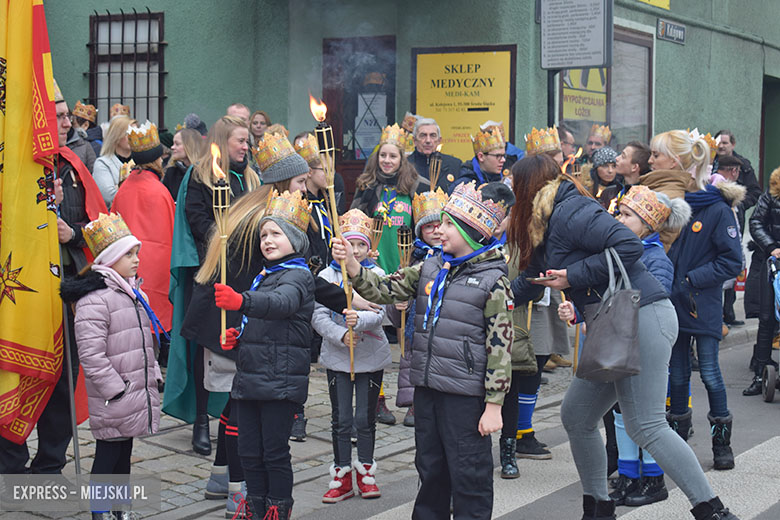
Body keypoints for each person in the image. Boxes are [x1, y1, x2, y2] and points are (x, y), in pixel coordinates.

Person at [508, 153, 740, 520]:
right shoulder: (547, 221)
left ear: (529, 186)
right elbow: (534, 277)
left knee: (647, 425)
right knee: (577, 416)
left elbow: (629, 246)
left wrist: (572, 276)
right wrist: (497, 299)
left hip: (641, 316)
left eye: (514, 187)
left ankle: (713, 511)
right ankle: (598, 509)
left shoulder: (572, 210)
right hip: (618, 323)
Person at [333, 181, 514, 520]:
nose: (438, 230)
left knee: (469, 473)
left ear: (471, 231)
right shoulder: (430, 267)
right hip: (428, 389)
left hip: (465, 395)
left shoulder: (492, 281)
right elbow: (386, 289)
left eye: (448, 224)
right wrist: (354, 267)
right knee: (430, 470)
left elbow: (500, 347)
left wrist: (494, 405)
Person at [0, 80, 107, 476]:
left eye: (67, 116)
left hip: (65, 289)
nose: (67, 124)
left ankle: (50, 464)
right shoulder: (12, 164)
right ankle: (10, 463)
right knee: (15, 372)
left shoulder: (74, 164)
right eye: (59, 116)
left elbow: (104, 228)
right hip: (18, 290)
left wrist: (71, 233)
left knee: (63, 378)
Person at [213, 189, 316, 520]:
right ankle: (255, 506)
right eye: (263, 235)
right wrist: (238, 337)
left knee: (273, 452)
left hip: (279, 382)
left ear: (295, 240)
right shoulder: (264, 276)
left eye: (276, 234)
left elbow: (281, 304)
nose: (267, 241)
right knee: (248, 451)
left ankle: (276, 509)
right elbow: (263, 324)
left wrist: (241, 301)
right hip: (250, 379)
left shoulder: (298, 276)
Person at [163, 115, 261, 457]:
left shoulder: (251, 177)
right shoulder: (200, 175)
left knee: (240, 344)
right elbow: (198, 220)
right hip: (212, 272)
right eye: (240, 141)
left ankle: (234, 418)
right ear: (223, 141)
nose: (246, 147)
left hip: (245, 273)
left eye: (247, 141)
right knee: (207, 345)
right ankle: (201, 420)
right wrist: (225, 244)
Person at [61, 213, 162, 520]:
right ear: (110, 259)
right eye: (128, 254)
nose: (136, 260)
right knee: (107, 456)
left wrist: (153, 376)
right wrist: (116, 390)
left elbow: (144, 345)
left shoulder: (134, 294)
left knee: (123, 455)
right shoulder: (95, 300)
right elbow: (92, 355)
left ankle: (120, 508)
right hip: (115, 396)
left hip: (132, 393)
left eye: (137, 253)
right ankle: (101, 511)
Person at [662, 130, 743, 473]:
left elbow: (732, 261)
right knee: (678, 375)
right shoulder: (672, 202)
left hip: (703, 301)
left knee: (709, 372)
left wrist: (693, 279)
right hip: (673, 301)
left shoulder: (718, 209)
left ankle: (721, 443)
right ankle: (678, 443)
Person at [602, 186, 689, 507]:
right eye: (619, 213)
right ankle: (628, 476)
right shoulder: (624, 252)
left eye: (628, 215)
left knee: (648, 418)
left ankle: (654, 479)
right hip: (621, 338)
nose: (619, 219)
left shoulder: (655, 257)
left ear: (648, 224)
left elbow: (654, 298)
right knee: (621, 412)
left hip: (643, 340)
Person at [313, 209, 391, 503]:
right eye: (349, 244)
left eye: (360, 245)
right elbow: (318, 316)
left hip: (370, 357)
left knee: (364, 418)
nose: (355, 250)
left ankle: (366, 472)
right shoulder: (326, 276)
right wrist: (340, 334)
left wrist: (359, 321)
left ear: (369, 247)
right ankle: (342, 474)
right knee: (342, 418)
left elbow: (380, 311)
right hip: (338, 357)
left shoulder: (377, 275)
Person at [111, 121, 175, 362]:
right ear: (157, 160)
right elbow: (171, 232)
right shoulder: (159, 191)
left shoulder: (124, 188)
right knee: (153, 326)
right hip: (157, 270)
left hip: (127, 267)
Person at [386, 188, 448, 428]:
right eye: (428, 226)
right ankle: (414, 402)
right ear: (419, 230)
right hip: (416, 327)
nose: (435, 231)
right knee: (414, 362)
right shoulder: (409, 259)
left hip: (443, 326)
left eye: (439, 225)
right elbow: (395, 307)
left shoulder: (454, 258)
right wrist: (398, 305)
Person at [351, 123, 420, 274]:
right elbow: (354, 227)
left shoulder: (414, 186)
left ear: (401, 159)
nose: (387, 160)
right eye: (383, 155)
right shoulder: (366, 186)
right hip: (372, 266)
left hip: (405, 264)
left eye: (393, 156)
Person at [742, 164, 780, 396]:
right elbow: (755, 222)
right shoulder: (774, 191)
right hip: (774, 264)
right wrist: (772, 247)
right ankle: (760, 373)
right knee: (766, 318)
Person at [407, 117, 462, 191]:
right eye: (423, 135)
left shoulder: (455, 165)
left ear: (439, 140)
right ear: (414, 141)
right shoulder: (405, 165)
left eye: (432, 135)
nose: (428, 140)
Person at [92, 115, 133, 208]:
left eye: (135, 133)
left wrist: (119, 187)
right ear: (117, 136)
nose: (133, 137)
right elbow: (109, 196)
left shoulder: (140, 162)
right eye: (128, 133)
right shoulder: (102, 163)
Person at [452, 123, 506, 191]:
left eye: (503, 155)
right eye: (498, 156)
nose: (503, 160)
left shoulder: (506, 182)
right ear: (481, 157)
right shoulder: (462, 187)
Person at [163, 128, 205, 202]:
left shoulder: (203, 173)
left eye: (177, 144)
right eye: (173, 144)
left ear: (190, 146)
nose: (172, 147)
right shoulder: (172, 172)